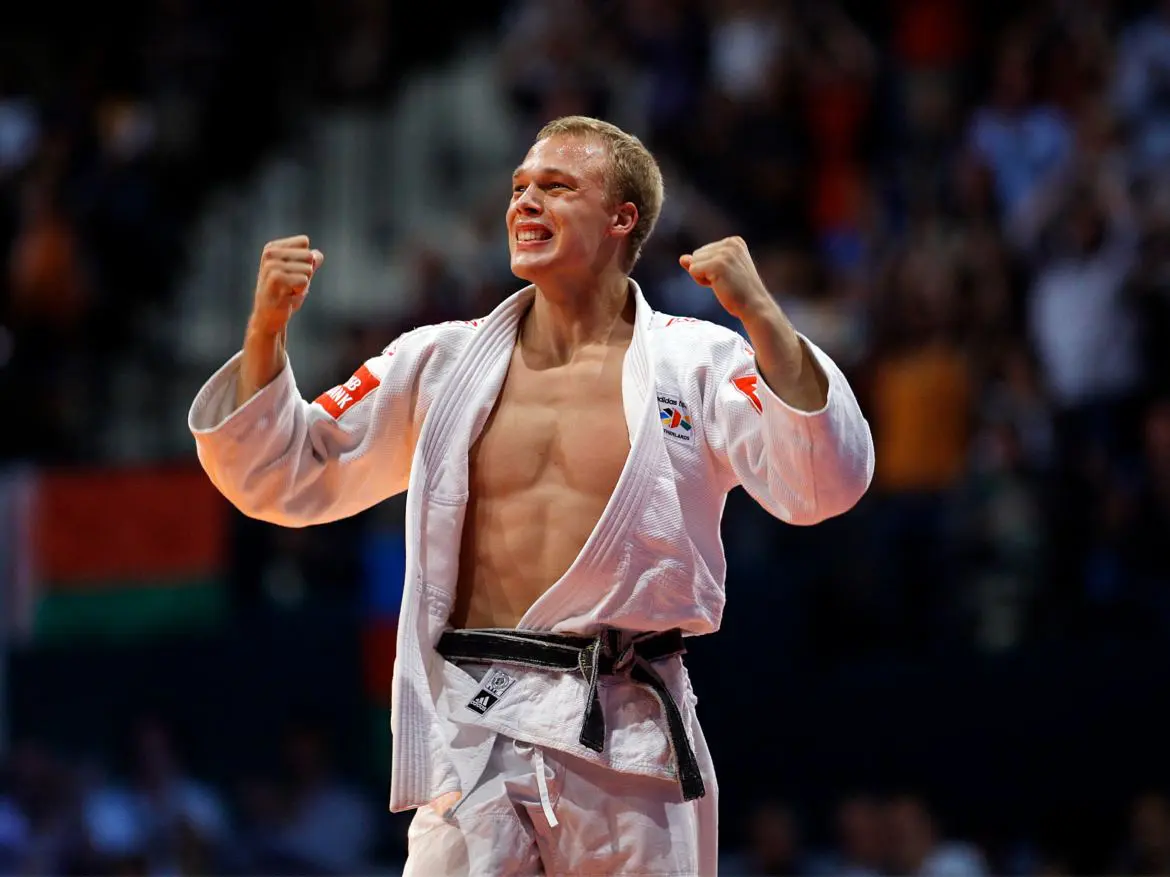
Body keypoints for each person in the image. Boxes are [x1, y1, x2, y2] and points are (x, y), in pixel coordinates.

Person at [189, 115, 874, 875]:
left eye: (556, 186)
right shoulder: (439, 361)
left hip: (627, 736)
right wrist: (265, 332)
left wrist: (763, 316)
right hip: (474, 731)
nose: (524, 202)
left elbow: (823, 483)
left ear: (621, 218)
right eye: (519, 187)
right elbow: (289, 472)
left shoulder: (696, 361)